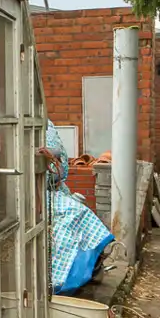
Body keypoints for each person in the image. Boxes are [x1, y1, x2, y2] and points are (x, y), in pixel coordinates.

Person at [43, 122, 113, 293]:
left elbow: (59, 167)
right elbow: (58, 168)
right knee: (74, 215)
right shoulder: (44, 125)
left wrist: (53, 166)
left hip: (49, 189)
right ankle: (63, 278)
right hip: (39, 193)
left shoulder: (46, 126)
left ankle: (88, 263)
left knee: (78, 216)